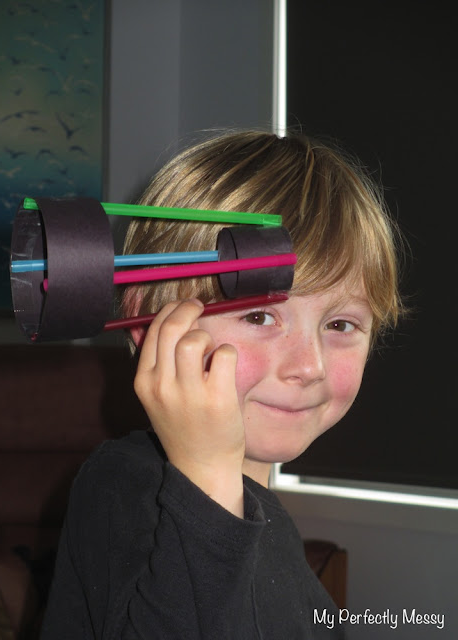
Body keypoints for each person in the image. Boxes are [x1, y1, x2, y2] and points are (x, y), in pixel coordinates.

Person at [40, 130, 403, 639]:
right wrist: (206, 474)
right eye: (259, 316)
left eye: (340, 325)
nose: (310, 366)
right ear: (151, 327)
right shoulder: (126, 490)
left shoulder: (267, 522)